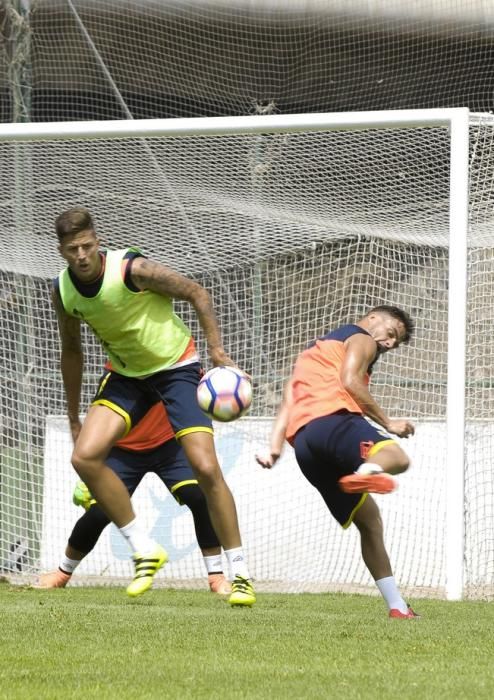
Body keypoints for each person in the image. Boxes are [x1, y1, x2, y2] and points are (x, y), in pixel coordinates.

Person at [52, 206, 254, 605]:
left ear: (97, 240)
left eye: (87, 245)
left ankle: (240, 572)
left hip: (176, 368)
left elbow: (197, 292)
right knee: (84, 457)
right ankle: (144, 548)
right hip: (127, 376)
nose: (81, 255)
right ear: (61, 250)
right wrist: (74, 416)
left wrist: (215, 349)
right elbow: (71, 351)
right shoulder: (63, 291)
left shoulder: (132, 270)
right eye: (72, 249)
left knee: (206, 468)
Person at [256, 306, 419, 618]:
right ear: (373, 317)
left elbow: (289, 401)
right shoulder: (361, 338)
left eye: (394, 343)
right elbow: (349, 381)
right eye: (391, 334)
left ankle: (398, 607)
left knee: (369, 522)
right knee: (398, 458)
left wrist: (273, 449)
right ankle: (367, 469)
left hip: (305, 445)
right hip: (333, 421)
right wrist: (388, 422)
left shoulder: (310, 355)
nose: (388, 343)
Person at [38, 401, 231, 595]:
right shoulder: (118, 375)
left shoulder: (176, 373)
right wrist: (92, 462)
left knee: (199, 497)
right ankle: (63, 572)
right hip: (123, 449)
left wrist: (226, 371)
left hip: (169, 443)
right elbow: (103, 409)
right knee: (99, 513)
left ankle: (216, 576)